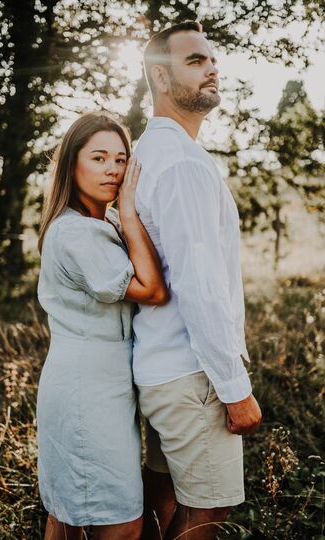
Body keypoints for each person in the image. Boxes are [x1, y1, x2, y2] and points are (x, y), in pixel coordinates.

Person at [132, 21, 262, 540]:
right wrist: (234, 389)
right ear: (160, 80)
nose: (211, 68)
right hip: (195, 376)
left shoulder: (150, 151)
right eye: (194, 61)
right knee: (208, 513)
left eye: (212, 60)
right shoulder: (181, 163)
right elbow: (199, 284)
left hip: (163, 369)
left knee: (166, 493)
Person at [36, 112, 168, 540]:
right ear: (71, 164)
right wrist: (128, 209)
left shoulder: (97, 223)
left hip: (95, 384)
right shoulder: (79, 233)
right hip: (86, 391)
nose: (113, 169)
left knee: (67, 515)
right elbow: (152, 290)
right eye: (98, 157)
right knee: (122, 522)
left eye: (121, 158)